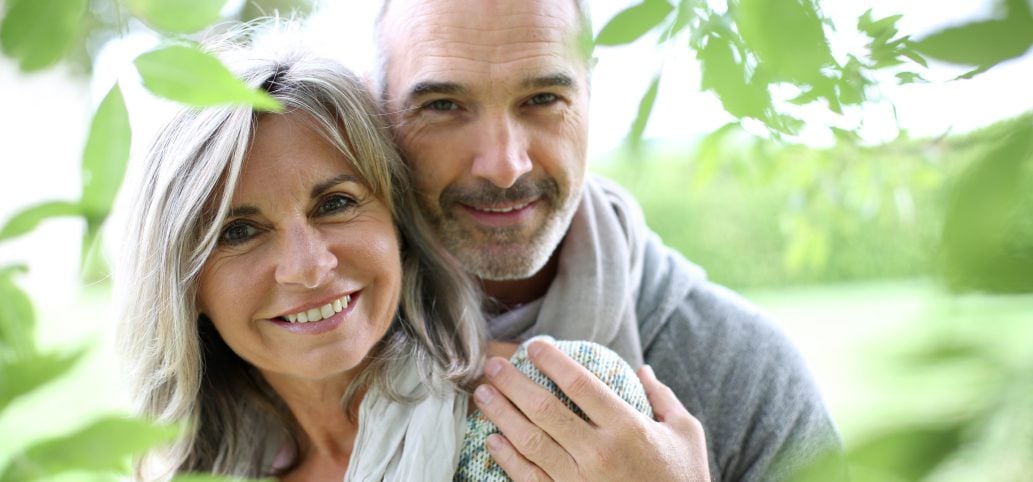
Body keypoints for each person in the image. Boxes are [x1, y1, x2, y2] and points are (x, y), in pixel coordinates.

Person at [114, 24, 672, 482]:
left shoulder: (549, 412)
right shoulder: (199, 468)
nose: (309, 267)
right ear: (184, 288)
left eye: (335, 203)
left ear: (397, 221)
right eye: (238, 232)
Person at [374, 0, 844, 480]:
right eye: (443, 105)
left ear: (591, 93)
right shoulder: (319, 353)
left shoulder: (744, 372)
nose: (504, 165)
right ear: (378, 108)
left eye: (542, 98)